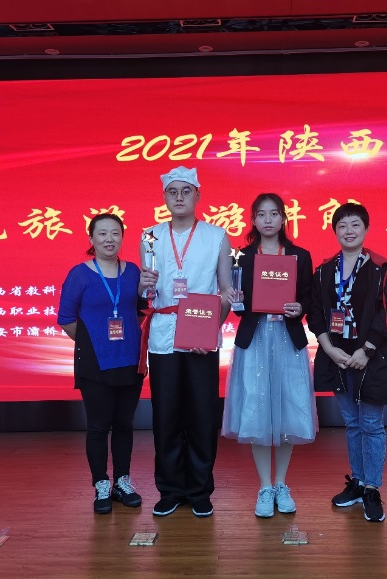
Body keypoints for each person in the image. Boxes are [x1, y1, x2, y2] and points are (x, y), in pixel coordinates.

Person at [138, 166, 232, 518]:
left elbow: (226, 292)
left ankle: (200, 489)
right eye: (172, 191)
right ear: (164, 197)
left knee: (202, 415)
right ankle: (171, 489)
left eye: (186, 191)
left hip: (201, 339)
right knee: (166, 415)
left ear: (197, 196)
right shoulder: (150, 236)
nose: (179, 197)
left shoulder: (217, 236)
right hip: (163, 336)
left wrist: (208, 330)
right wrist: (144, 286)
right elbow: (146, 292)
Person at [307, 203, 387, 523]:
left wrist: (366, 350)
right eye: (342, 226)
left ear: (366, 229)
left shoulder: (381, 269)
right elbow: (316, 312)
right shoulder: (324, 270)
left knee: (371, 424)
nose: (348, 231)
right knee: (351, 423)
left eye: (355, 225)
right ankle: (359, 482)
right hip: (338, 357)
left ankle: (372, 488)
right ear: (334, 231)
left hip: (371, 359)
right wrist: (329, 348)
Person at [222, 193, 317, 518]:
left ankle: (281, 484)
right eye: (261, 214)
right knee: (257, 409)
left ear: (283, 219)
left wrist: (300, 307)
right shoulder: (242, 257)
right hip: (256, 339)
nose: (267, 220)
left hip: (287, 339)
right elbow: (237, 309)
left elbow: (309, 297)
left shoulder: (299, 256)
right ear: (253, 220)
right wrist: (237, 299)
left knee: (288, 407)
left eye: (273, 214)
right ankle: (264, 486)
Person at [57, 213, 145, 514]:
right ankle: (101, 484)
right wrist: (91, 342)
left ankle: (122, 481)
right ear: (91, 239)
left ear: (122, 237)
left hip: (130, 359)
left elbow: (141, 310)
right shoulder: (80, 274)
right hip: (95, 363)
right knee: (98, 427)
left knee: (124, 425)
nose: (109, 239)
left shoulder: (133, 272)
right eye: (102, 233)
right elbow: (66, 319)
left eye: (115, 233)